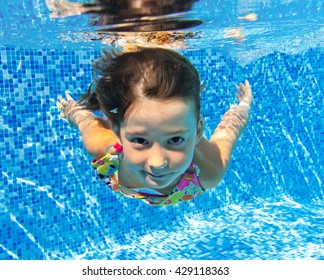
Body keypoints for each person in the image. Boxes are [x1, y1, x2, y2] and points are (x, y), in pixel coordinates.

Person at [57, 47, 253, 206]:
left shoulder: (208, 170)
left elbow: (229, 132)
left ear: (198, 132)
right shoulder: (102, 148)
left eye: (175, 140)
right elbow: (86, 121)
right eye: (140, 140)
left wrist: (243, 106)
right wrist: (73, 111)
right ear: (117, 133)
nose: (158, 162)